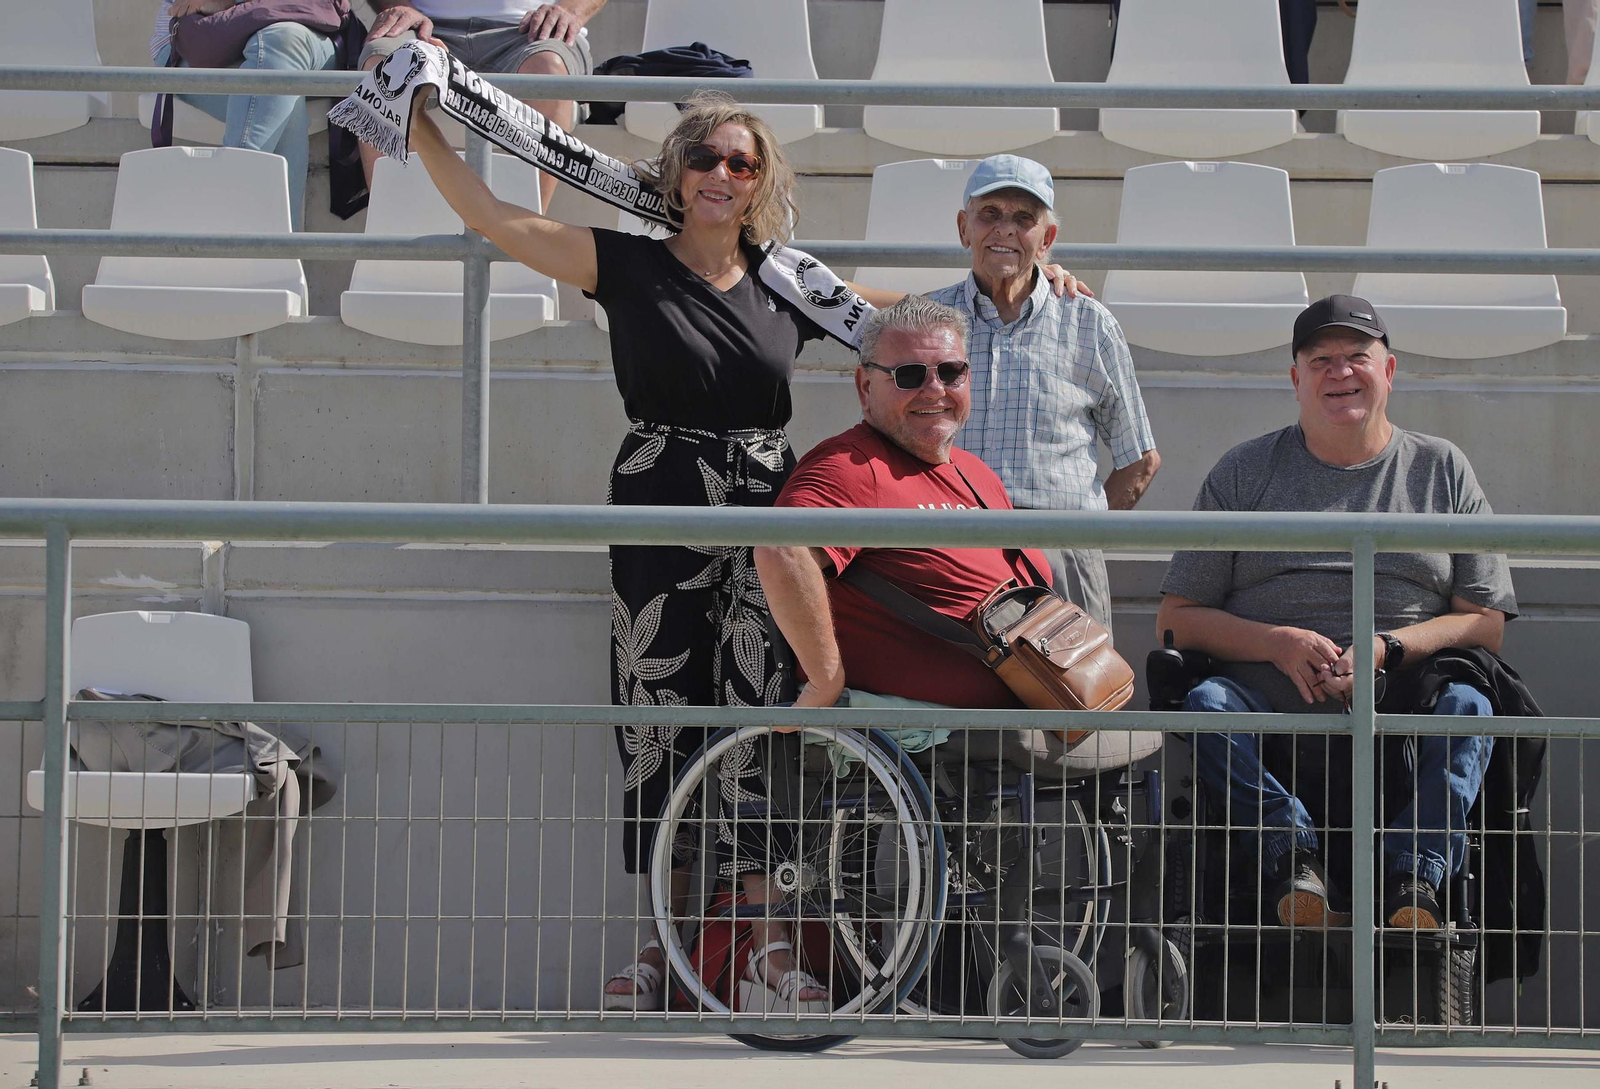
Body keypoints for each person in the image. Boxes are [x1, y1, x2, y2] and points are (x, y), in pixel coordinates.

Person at [1155, 295, 1516, 932]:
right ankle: (1292, 856)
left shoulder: (1441, 469)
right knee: (1205, 703)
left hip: (1401, 703)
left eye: (1357, 357)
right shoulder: (1244, 472)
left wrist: (1387, 648)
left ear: (1390, 370)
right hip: (1264, 707)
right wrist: (1277, 643)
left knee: (1472, 707)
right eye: (1320, 359)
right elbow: (1176, 619)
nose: (1339, 372)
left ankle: (1417, 878)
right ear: (1295, 379)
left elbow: (1486, 622)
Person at [755, 295, 1055, 713]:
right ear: (865, 386)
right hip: (948, 749)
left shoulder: (976, 471)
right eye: (909, 375)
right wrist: (826, 678)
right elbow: (781, 549)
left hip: (1040, 703)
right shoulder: (852, 466)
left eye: (951, 372)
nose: (935, 390)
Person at [926, 155, 1159, 637]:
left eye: (1023, 219)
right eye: (990, 214)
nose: (1005, 231)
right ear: (963, 228)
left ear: (1047, 240)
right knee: (954, 710)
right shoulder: (925, 323)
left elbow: (1140, 459)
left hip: (1060, 558)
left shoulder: (1089, 323)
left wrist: (1079, 537)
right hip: (951, 550)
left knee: (1072, 709)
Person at [360, 1, 606, 210]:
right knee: (384, 65)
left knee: (548, 72)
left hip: (530, 31)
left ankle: (523, 243)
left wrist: (570, 11)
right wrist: (397, 4)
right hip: (422, 25)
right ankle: (397, 240)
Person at [150, 0, 343, 230]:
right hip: (199, 44)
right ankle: (275, 255)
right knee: (282, 96)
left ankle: (234, 233)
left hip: (305, 32)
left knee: (281, 44)